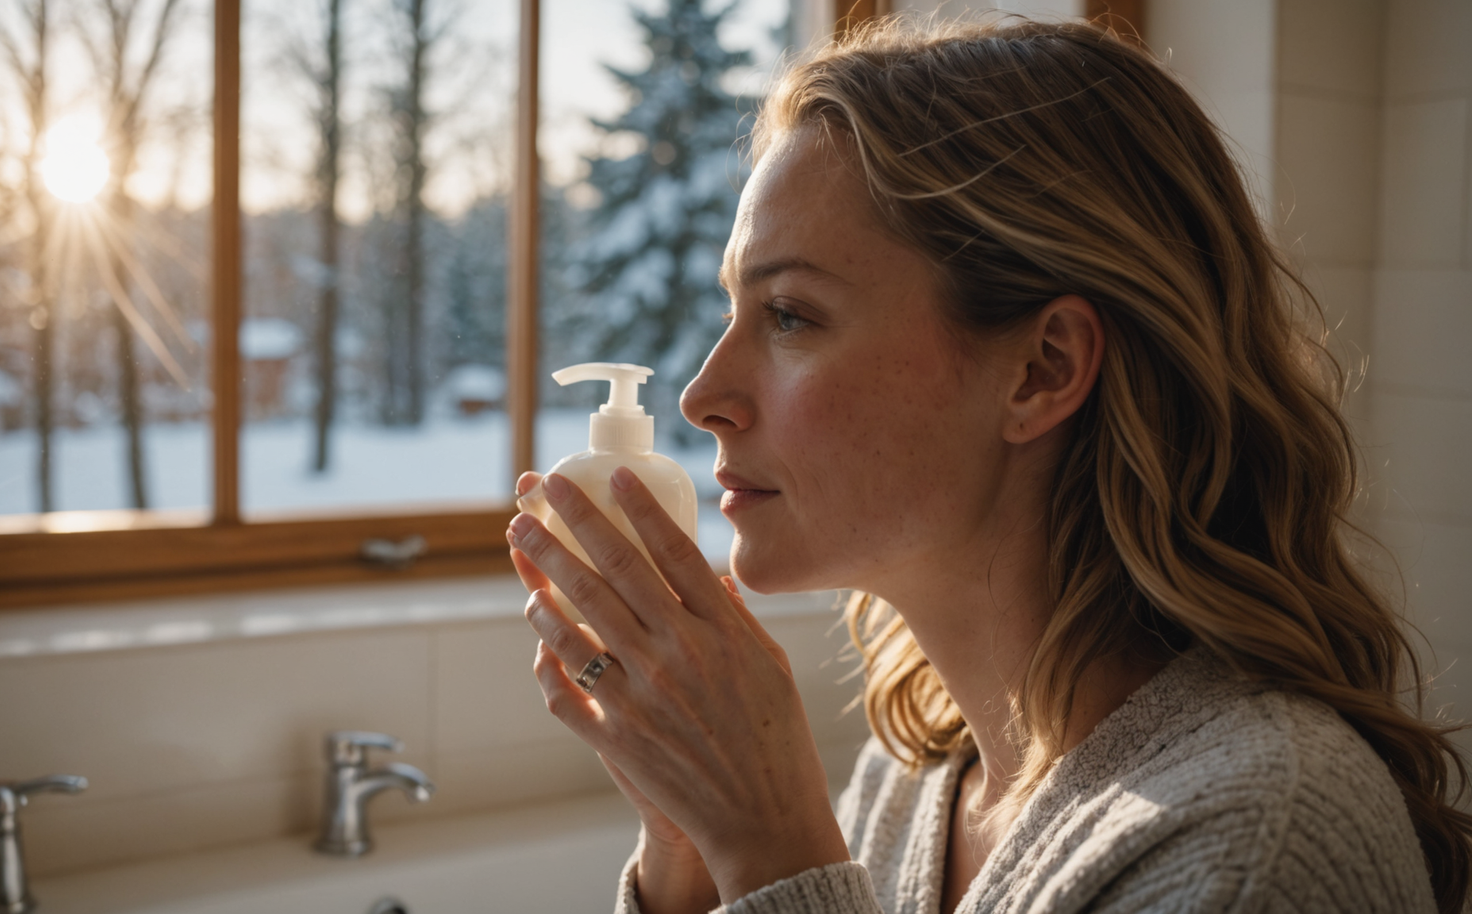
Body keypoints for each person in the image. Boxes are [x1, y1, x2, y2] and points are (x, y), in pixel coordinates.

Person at [505, 16, 1472, 914]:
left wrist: (772, 852)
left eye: (790, 315)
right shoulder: (921, 774)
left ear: (1041, 369)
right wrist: (691, 858)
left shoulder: (1258, 844)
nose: (701, 395)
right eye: (734, 312)